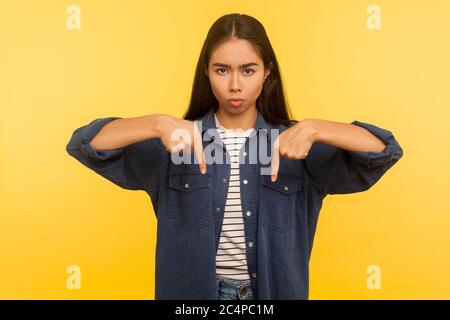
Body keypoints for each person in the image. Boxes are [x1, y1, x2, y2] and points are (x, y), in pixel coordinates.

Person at [66, 13, 403, 300]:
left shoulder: (295, 143)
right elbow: (87, 145)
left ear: (267, 71)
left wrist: (317, 129)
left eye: (248, 70)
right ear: (206, 72)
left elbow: (383, 151)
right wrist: (156, 123)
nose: (235, 85)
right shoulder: (177, 141)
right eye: (222, 70)